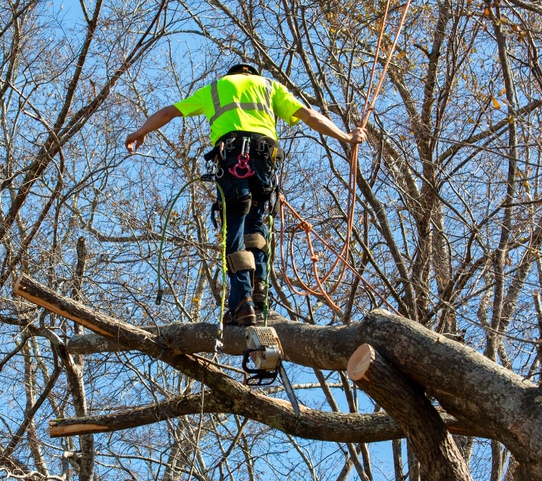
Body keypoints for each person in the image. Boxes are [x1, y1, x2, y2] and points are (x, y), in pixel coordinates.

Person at [125, 63, 367, 326]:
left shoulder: (216, 88)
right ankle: (259, 290)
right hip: (264, 164)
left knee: (236, 230)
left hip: (233, 162)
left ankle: (242, 302)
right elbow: (308, 115)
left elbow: (169, 112)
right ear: (252, 74)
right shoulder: (269, 87)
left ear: (231, 75)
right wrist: (346, 136)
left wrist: (140, 132)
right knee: (256, 226)